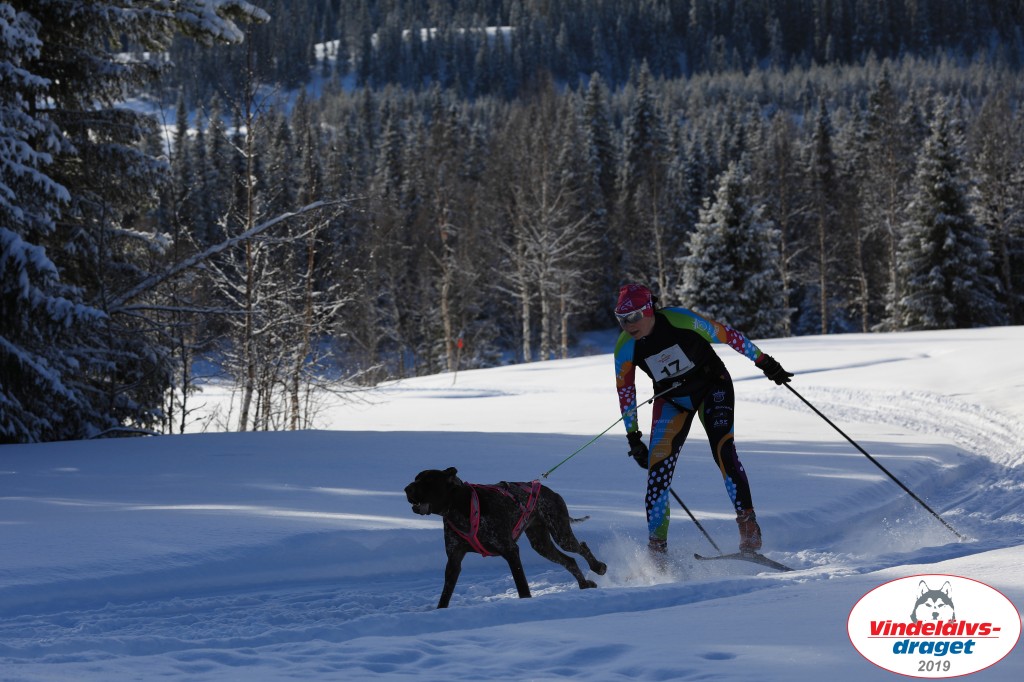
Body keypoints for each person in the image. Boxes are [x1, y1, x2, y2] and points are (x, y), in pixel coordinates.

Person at [612, 283, 792, 556]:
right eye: (621, 319)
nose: (628, 325)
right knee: (657, 474)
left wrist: (764, 362)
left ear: (649, 310)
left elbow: (728, 335)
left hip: (712, 387)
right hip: (672, 401)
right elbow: (626, 390)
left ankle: (748, 526)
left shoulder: (681, 320)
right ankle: (657, 552)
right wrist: (633, 436)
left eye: (634, 316)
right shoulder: (625, 347)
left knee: (723, 450)